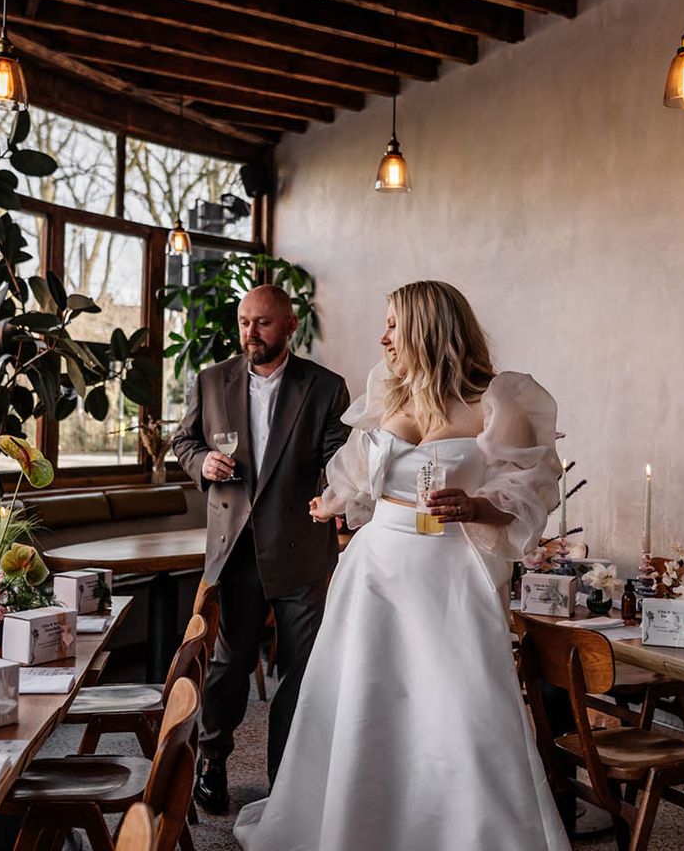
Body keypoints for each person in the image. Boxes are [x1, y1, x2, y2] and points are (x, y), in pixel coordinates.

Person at [234, 280, 570, 851]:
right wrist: (331, 502)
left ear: (426, 328)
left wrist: (475, 504)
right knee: (365, 698)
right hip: (374, 569)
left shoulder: (498, 402)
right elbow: (360, 470)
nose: (383, 336)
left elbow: (528, 493)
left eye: (393, 324)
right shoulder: (392, 395)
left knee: (455, 708)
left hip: (448, 574)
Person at [172, 285, 350, 814]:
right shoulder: (210, 381)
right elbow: (184, 442)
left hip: (300, 548)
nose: (251, 332)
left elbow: (338, 457)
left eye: (264, 323)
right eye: (245, 322)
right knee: (230, 661)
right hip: (237, 549)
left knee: (300, 668)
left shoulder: (325, 387)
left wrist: (334, 493)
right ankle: (212, 760)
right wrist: (202, 463)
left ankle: (286, 778)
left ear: (290, 325)